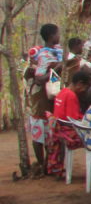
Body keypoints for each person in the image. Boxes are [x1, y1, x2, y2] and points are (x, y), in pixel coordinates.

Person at [25, 24, 63, 176]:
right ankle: (41, 165)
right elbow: (39, 79)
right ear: (51, 36)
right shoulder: (44, 55)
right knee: (39, 131)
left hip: (51, 97)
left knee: (49, 132)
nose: (59, 36)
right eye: (57, 33)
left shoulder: (57, 52)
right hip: (41, 98)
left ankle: (49, 164)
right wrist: (56, 69)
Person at [47, 70, 91, 177]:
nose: (84, 91)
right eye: (85, 87)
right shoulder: (71, 95)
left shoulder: (62, 92)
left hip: (58, 130)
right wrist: (88, 117)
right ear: (80, 84)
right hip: (67, 133)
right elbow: (72, 118)